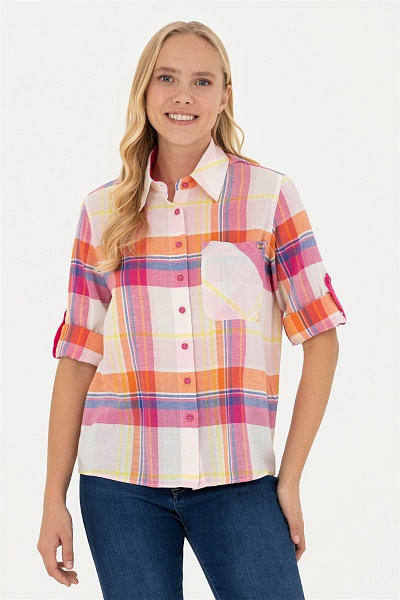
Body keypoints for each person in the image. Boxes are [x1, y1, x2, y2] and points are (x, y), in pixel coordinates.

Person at [37, 20, 347, 600]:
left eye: (202, 81)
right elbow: (77, 358)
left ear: (224, 96)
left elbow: (321, 338)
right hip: (120, 484)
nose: (184, 95)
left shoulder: (269, 197)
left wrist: (289, 477)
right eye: (167, 78)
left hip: (239, 478)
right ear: (144, 90)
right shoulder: (102, 211)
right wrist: (53, 497)